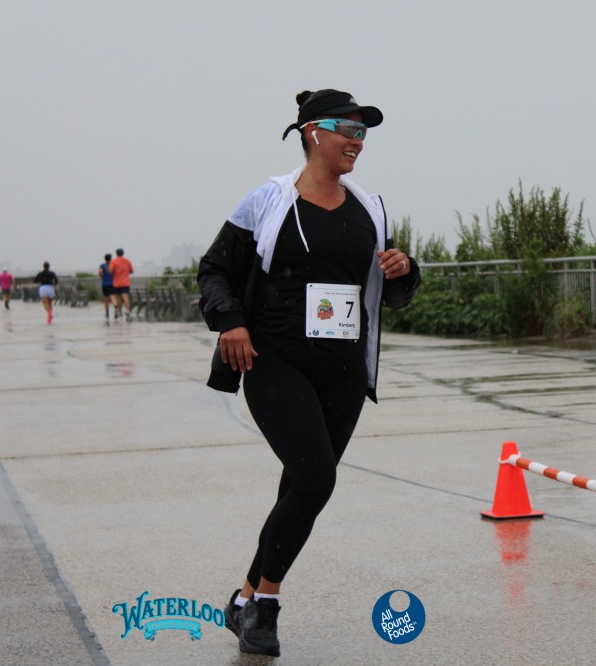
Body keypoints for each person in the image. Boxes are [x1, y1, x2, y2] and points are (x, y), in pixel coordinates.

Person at [197, 89, 420, 658]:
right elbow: (215, 270)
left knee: (300, 485)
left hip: (342, 369)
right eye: (349, 129)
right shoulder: (268, 201)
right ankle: (266, 608)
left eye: (364, 133)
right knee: (317, 479)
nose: (358, 141)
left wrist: (404, 270)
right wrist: (230, 322)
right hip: (275, 360)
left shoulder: (369, 208)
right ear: (313, 132)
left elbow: (391, 290)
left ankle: (244, 598)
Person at [109, 248, 134, 322]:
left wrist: (115, 273)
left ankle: (120, 313)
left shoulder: (113, 261)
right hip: (125, 283)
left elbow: (110, 271)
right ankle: (127, 312)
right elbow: (131, 271)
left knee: (118, 299)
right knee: (126, 298)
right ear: (123, 253)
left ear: (116, 253)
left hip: (116, 283)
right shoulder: (127, 261)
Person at [98, 253, 117, 321]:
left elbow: (100, 272)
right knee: (112, 296)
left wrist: (102, 277)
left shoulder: (102, 265)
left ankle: (107, 312)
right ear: (111, 258)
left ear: (105, 259)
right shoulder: (113, 265)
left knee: (106, 298)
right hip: (112, 283)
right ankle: (115, 305)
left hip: (104, 284)